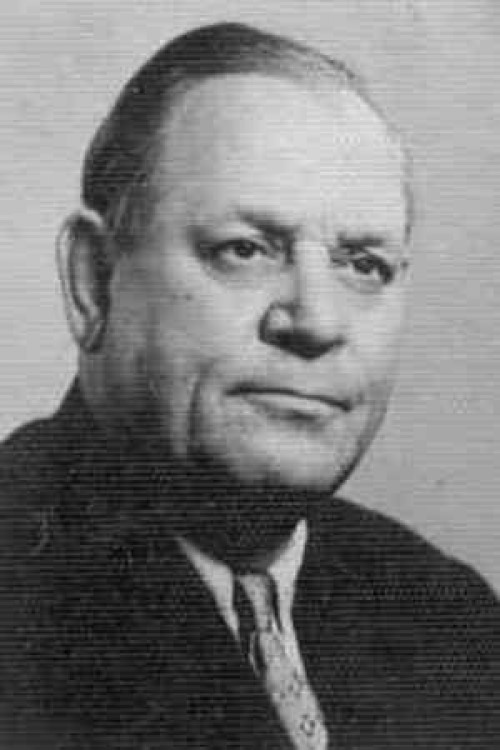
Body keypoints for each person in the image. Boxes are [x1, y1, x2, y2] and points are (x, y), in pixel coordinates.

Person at [0, 21, 498, 750]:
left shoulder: (452, 619)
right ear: (94, 281)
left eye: (364, 265)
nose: (317, 320)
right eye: (245, 250)